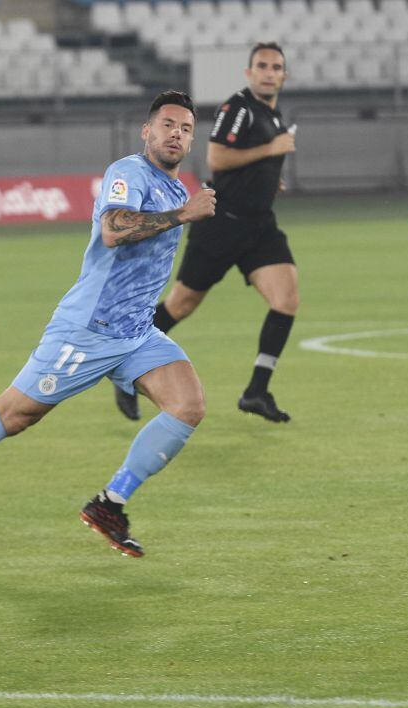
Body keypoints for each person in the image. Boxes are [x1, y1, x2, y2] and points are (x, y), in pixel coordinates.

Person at [0, 91, 217, 558]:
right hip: (89, 328)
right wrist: (183, 215)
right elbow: (114, 231)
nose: (176, 134)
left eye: (185, 129)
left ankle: (109, 504)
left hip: (136, 333)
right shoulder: (129, 173)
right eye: (167, 125)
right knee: (14, 415)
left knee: (188, 405)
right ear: (147, 131)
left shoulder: (178, 188)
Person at [114, 42, 298, 424]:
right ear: (249, 73)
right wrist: (271, 150)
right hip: (223, 222)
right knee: (181, 304)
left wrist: (267, 180)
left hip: (260, 225)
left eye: (275, 66)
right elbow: (217, 157)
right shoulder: (239, 108)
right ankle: (127, 368)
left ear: (284, 75)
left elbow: (250, 163)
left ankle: (256, 390)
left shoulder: (274, 116)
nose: (268, 71)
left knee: (286, 298)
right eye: (261, 65)